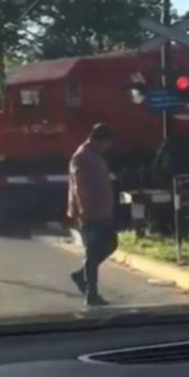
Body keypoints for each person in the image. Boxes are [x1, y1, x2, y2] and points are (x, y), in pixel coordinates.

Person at [67, 123, 118, 306]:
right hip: (90, 212)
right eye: (107, 143)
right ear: (99, 140)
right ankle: (92, 293)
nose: (108, 148)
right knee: (93, 249)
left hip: (101, 210)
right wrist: (85, 210)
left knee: (110, 243)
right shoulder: (82, 157)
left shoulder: (94, 156)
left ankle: (82, 275)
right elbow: (80, 187)